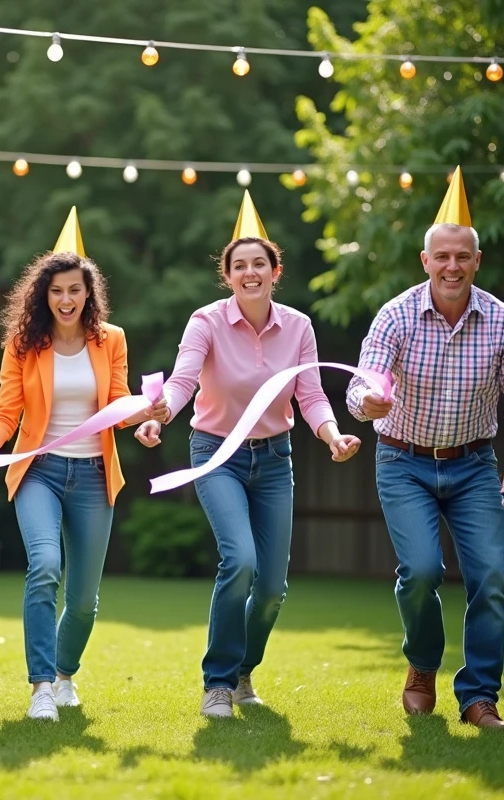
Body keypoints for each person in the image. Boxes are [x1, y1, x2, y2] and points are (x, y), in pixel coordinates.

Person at [135, 191, 361, 719]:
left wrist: (332, 437)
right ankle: (216, 682)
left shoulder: (299, 326)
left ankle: (242, 672)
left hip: (275, 459)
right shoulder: (207, 321)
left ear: (274, 270)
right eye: (240, 265)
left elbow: (310, 394)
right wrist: (157, 415)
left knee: (274, 586)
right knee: (239, 561)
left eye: (260, 263)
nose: (250, 272)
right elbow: (184, 379)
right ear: (229, 275)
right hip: (217, 455)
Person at [346, 167, 504, 730]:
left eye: (463, 256)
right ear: (426, 261)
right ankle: (421, 664)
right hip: (402, 461)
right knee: (419, 571)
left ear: (476, 261)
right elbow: (360, 383)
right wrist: (369, 404)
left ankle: (479, 697)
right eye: (443, 257)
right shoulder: (396, 315)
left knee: (491, 575)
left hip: (475, 465)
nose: (453, 266)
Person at [0, 208, 167, 721]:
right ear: (42, 295)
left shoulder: (110, 339)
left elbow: (117, 401)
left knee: (85, 599)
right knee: (45, 567)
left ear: (88, 294)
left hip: (95, 476)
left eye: (75, 290)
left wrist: (146, 416)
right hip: (40, 474)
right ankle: (42, 687)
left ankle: (67, 673)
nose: (66, 300)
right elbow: (6, 411)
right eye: (56, 291)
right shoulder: (23, 345)